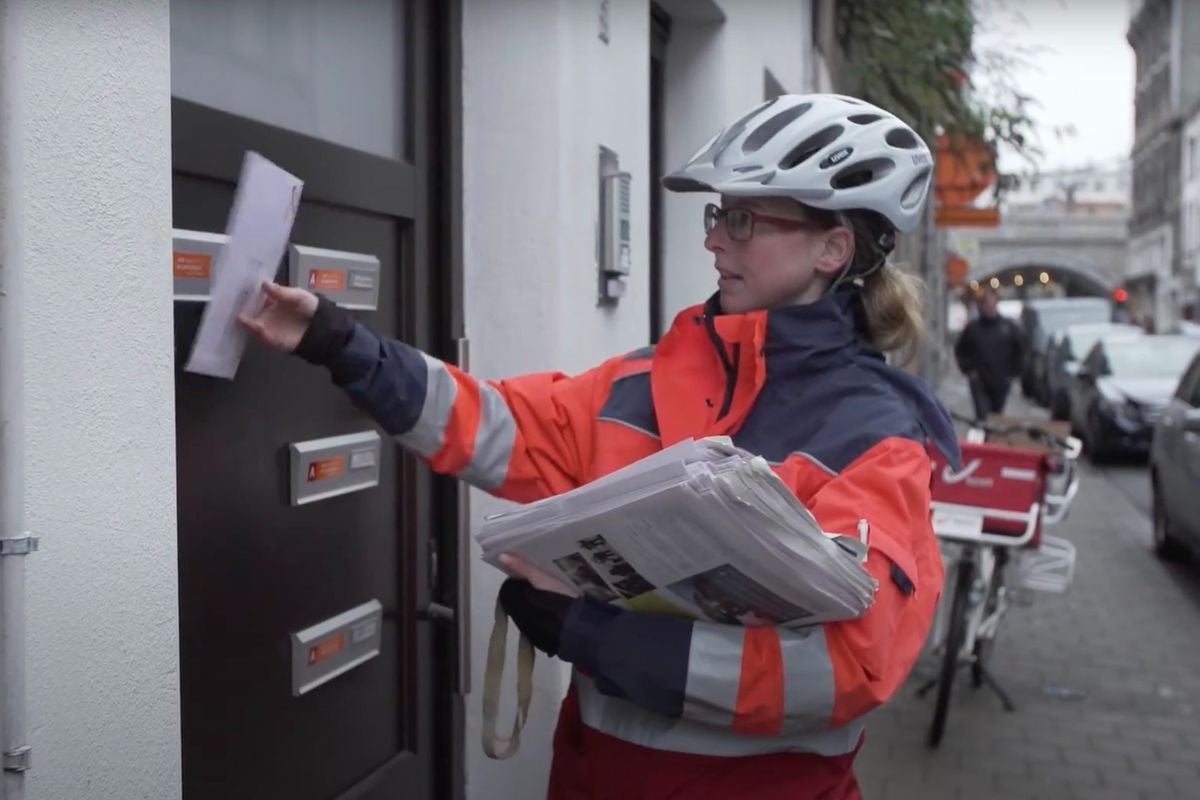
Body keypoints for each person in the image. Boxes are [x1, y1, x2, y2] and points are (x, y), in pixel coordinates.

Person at [241, 92, 960, 800]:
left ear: (833, 248)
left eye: (741, 220)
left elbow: (846, 669)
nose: (713, 240)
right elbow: (493, 424)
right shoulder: (647, 377)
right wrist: (340, 344)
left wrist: (592, 635)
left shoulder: (881, 439)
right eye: (718, 216)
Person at [954, 288, 1023, 421]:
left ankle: (991, 438)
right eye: (986, 305)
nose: (989, 308)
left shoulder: (1008, 327)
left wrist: (1013, 373)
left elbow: (1019, 351)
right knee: (983, 416)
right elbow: (960, 351)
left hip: (1001, 381)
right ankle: (984, 437)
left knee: (997, 416)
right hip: (980, 381)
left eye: (992, 304)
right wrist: (969, 370)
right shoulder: (973, 329)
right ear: (981, 306)